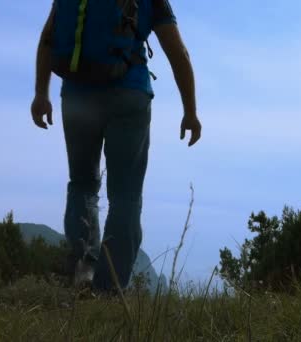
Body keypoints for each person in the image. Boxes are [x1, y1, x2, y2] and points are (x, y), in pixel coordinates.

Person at [30, 0, 201, 293]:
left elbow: (48, 39)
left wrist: (40, 94)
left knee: (83, 185)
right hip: (129, 95)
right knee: (126, 196)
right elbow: (178, 52)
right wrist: (190, 111)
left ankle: (82, 274)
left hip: (77, 97)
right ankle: (109, 291)